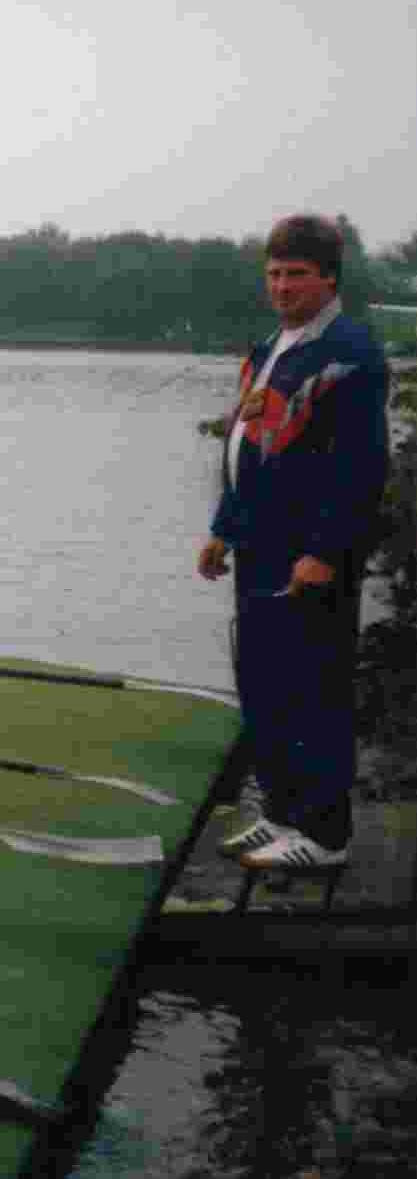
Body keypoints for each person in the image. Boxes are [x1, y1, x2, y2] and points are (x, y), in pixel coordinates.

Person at [198, 215, 388, 871]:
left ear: (328, 277)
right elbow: (248, 449)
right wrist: (222, 529)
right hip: (258, 545)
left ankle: (324, 834)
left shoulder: (349, 353)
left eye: (295, 274)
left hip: (309, 554)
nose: (281, 285)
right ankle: (281, 814)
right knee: (264, 685)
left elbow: (360, 467)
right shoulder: (267, 349)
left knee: (315, 688)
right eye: (274, 273)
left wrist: (324, 549)